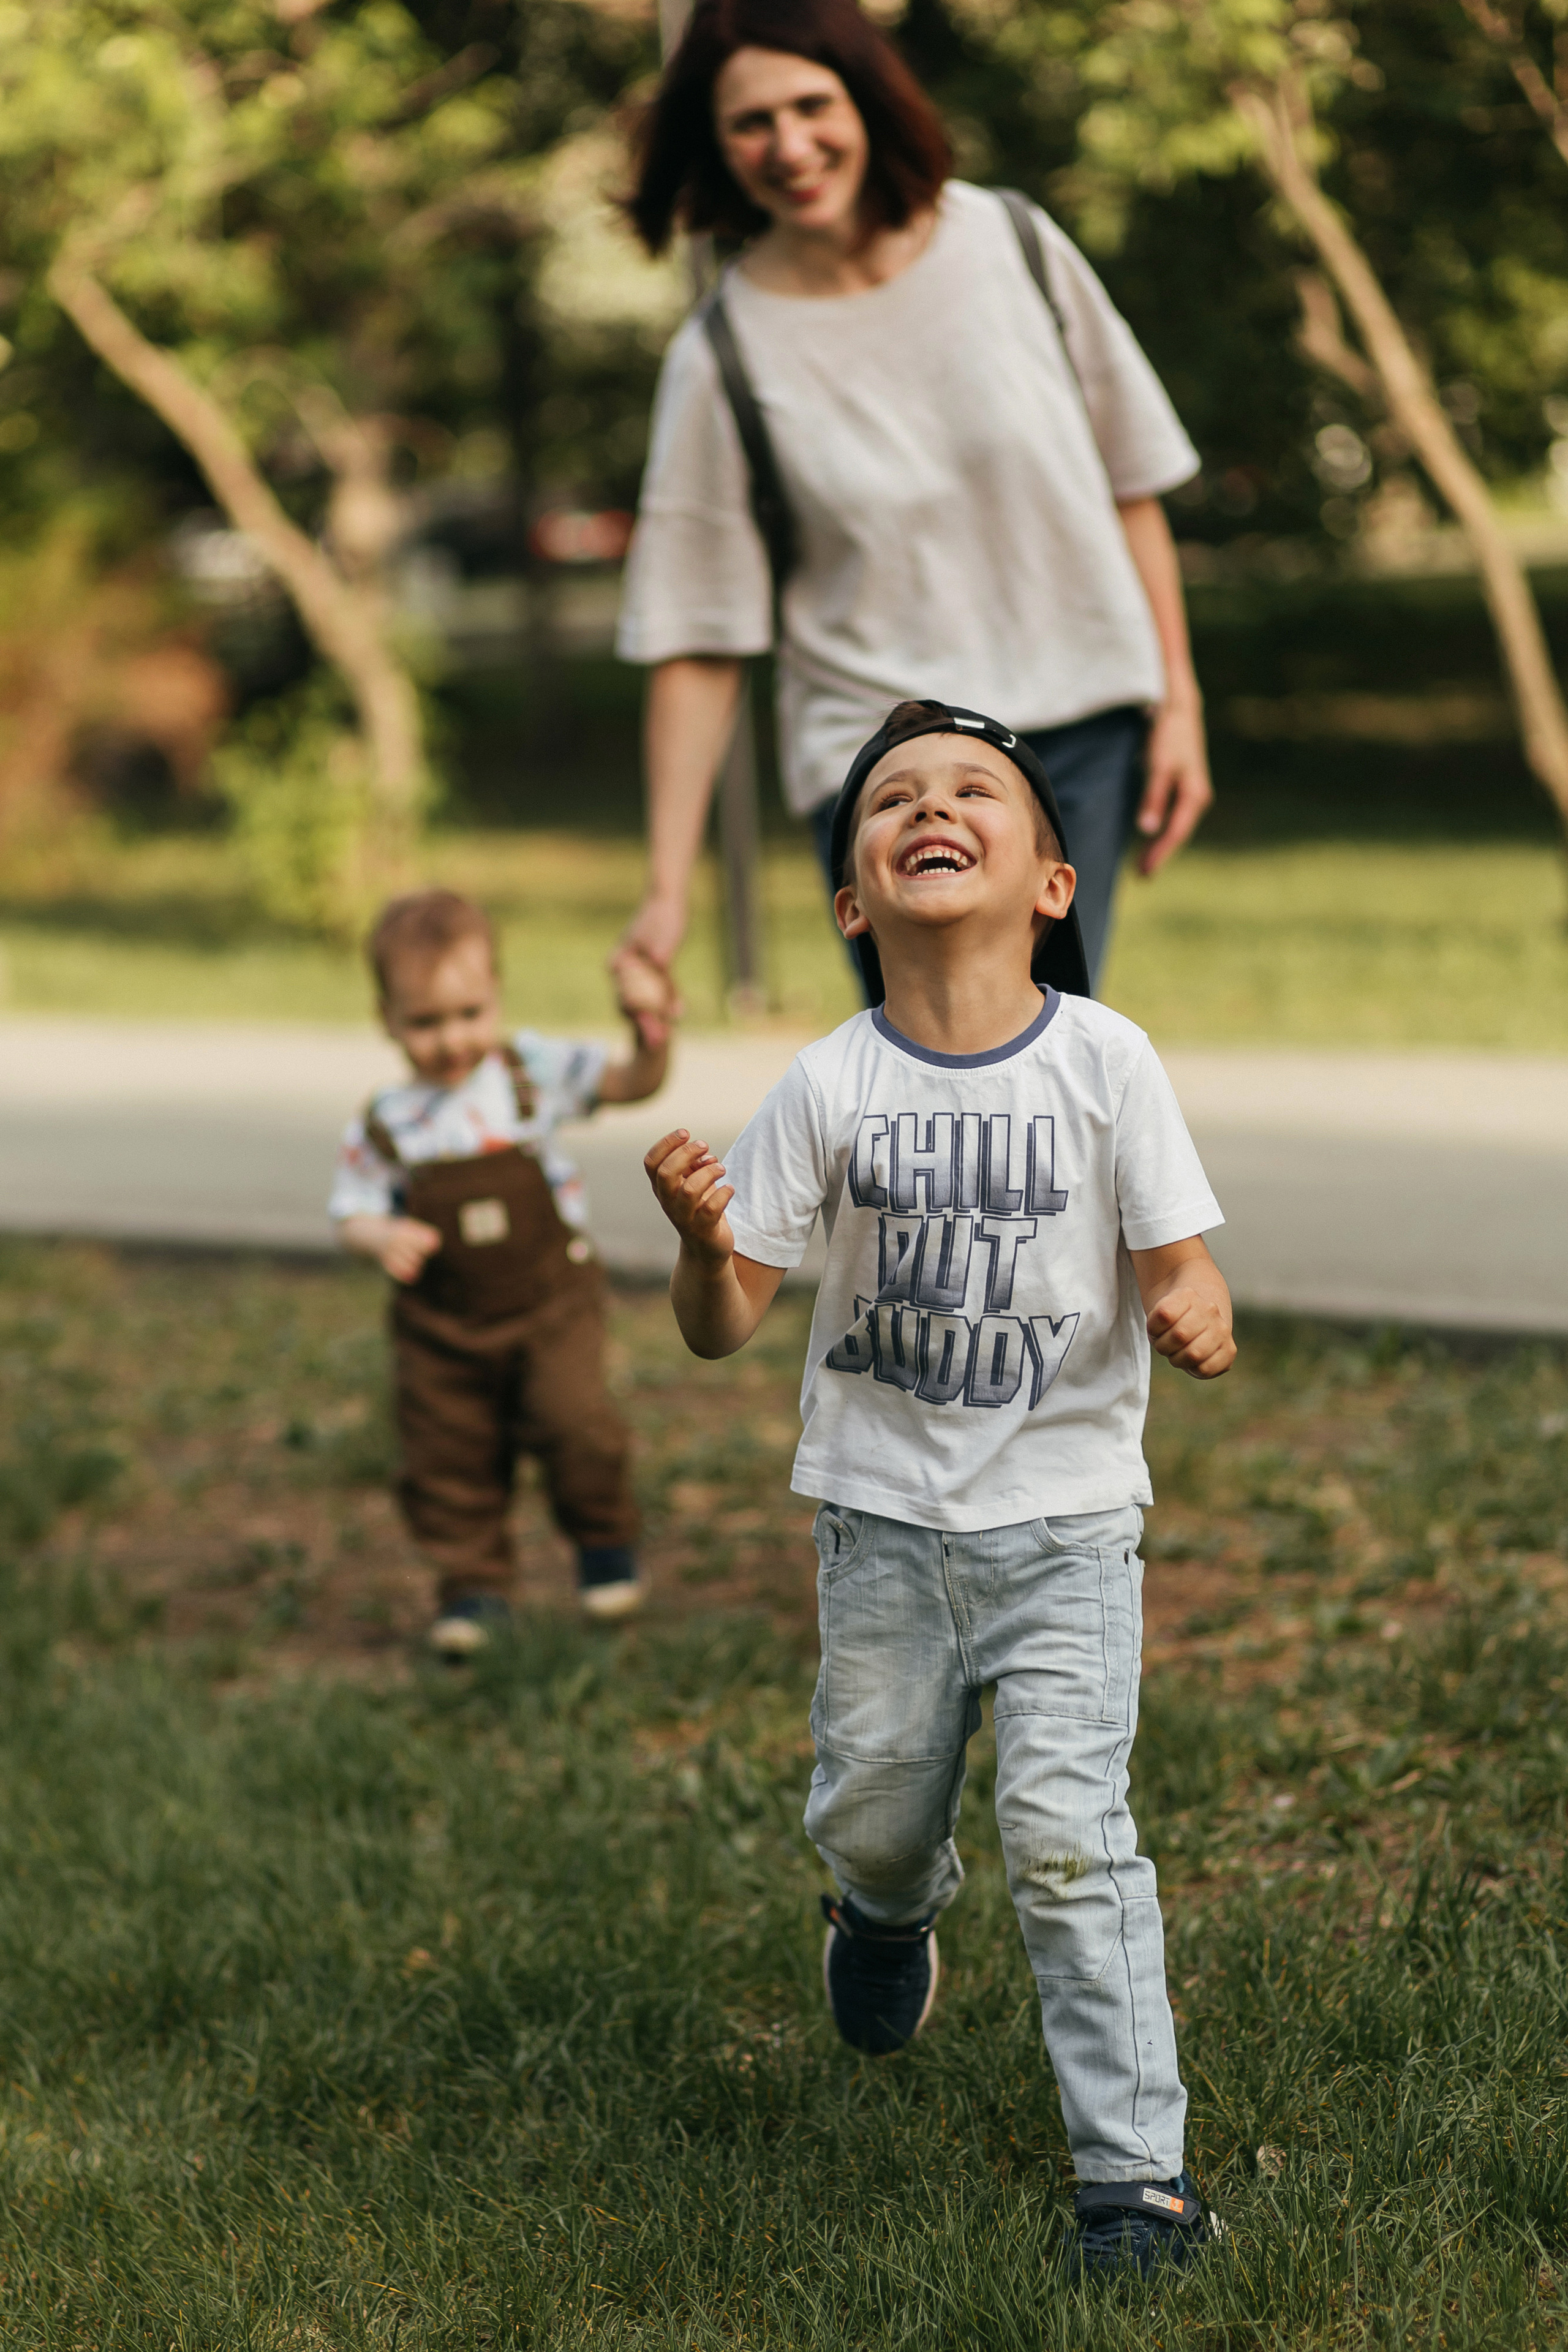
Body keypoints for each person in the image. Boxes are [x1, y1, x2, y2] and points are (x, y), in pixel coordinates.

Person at [644, 699, 1234, 2279]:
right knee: (875, 1812)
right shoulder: (827, 1082)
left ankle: (1135, 2181)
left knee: (1068, 1839)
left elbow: (1184, 1267)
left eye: (974, 788)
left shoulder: (1105, 1062)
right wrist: (702, 1247)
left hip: (1066, 1532)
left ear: (1050, 880)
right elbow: (721, 1324)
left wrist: (1195, 1312)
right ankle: (882, 1913)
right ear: (853, 900)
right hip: (886, 1534)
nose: (930, 805)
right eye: (892, 796)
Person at [615, 0, 1212, 998]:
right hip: (878, 760)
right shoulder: (723, 354)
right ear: (715, 146)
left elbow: (1131, 484)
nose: (790, 146)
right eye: (752, 123)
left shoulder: (1013, 244)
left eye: (812, 106)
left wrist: (1179, 705)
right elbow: (698, 635)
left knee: (1048, 1041)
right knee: (940, 1050)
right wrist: (666, 892)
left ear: (868, 100)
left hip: (1077, 729)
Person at [331, 889, 674, 1657]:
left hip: (552, 1304)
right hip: (442, 1325)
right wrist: (379, 1234)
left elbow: (633, 1081)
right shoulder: (385, 1121)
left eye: (470, 1013)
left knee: (575, 1422)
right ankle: (473, 1588)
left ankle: (603, 1544)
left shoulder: (529, 1072)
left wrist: (649, 1030)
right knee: (446, 1455)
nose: (453, 1039)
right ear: (386, 1018)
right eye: (426, 1022)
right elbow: (349, 1211)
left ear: (497, 994)